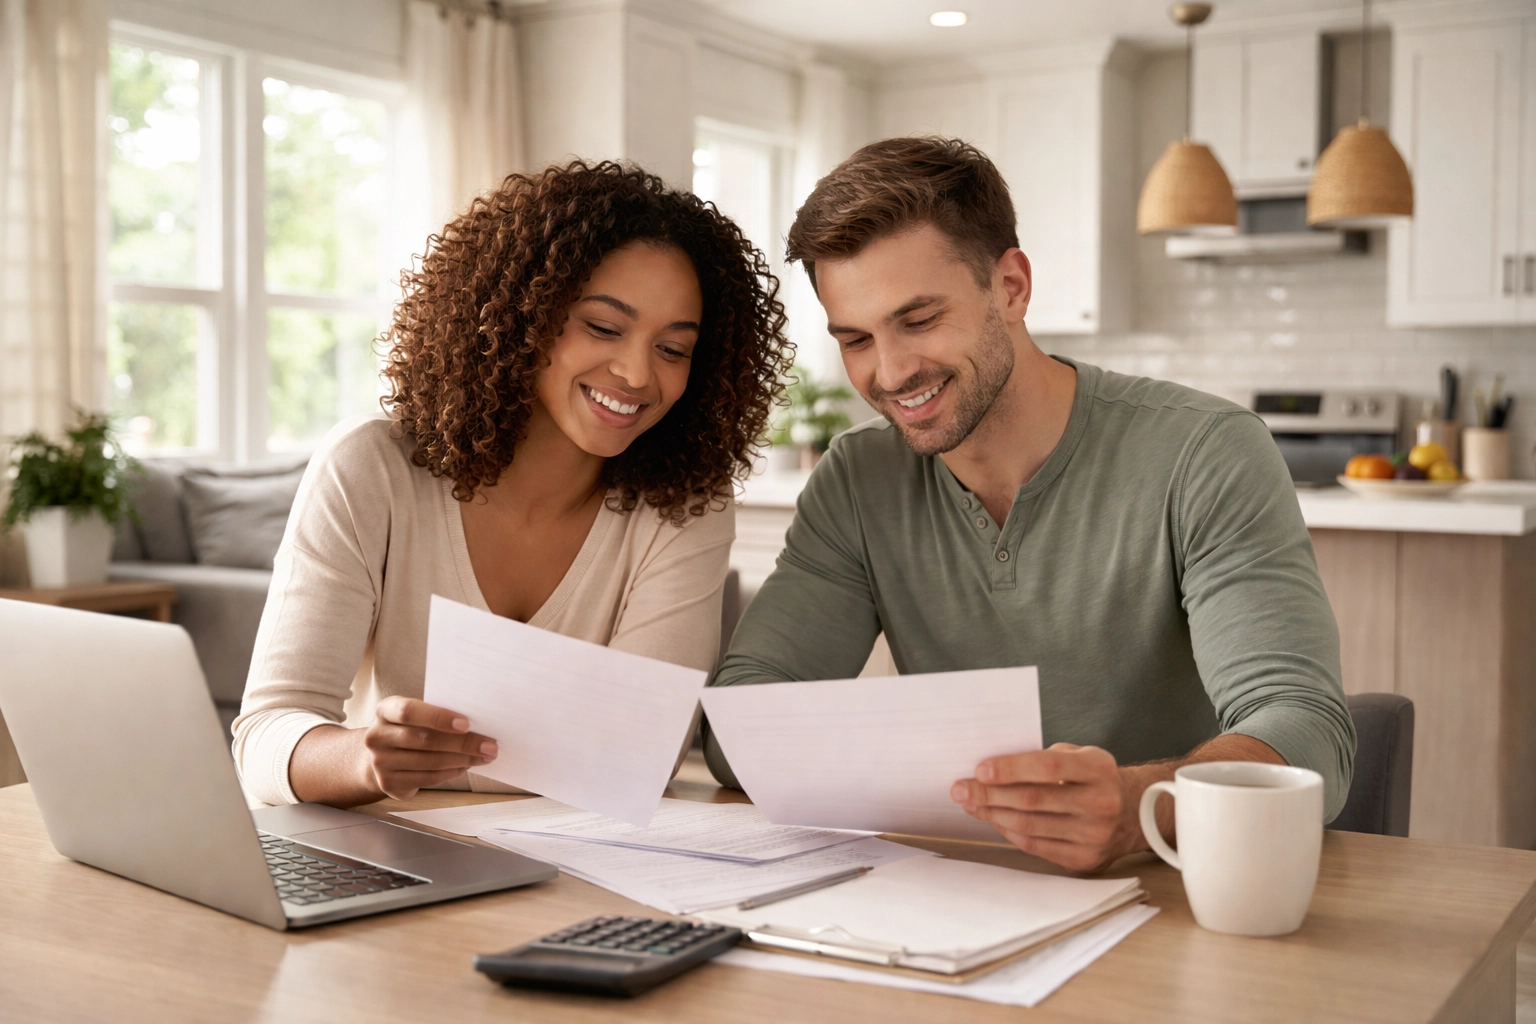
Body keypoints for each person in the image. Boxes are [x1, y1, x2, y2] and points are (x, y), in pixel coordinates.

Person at [704, 137, 1354, 874]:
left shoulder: (1204, 452)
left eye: (919, 320)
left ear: (1011, 287)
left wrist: (1141, 807)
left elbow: (1306, 731)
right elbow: (736, 729)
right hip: (958, 892)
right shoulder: (858, 481)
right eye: (855, 339)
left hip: (1177, 887)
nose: (889, 372)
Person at [233, 161, 791, 808]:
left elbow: (643, 756)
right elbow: (265, 738)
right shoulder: (372, 469)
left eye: (673, 349)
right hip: (388, 846)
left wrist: (457, 763)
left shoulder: (685, 503)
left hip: (575, 857)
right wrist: (362, 758)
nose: (638, 374)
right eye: (603, 327)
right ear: (522, 313)